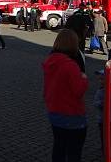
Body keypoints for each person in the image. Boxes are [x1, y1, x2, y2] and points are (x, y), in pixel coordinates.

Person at [43, 29, 89, 162]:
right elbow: (78, 91)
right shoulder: (70, 65)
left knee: (59, 147)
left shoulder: (51, 60)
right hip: (71, 113)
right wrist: (84, 78)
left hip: (54, 110)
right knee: (74, 152)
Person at [93, 69, 105, 157]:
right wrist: (101, 103)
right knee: (102, 134)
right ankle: (103, 146)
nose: (100, 81)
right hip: (101, 118)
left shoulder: (104, 90)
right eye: (100, 79)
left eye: (102, 79)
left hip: (103, 118)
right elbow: (96, 103)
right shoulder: (100, 91)